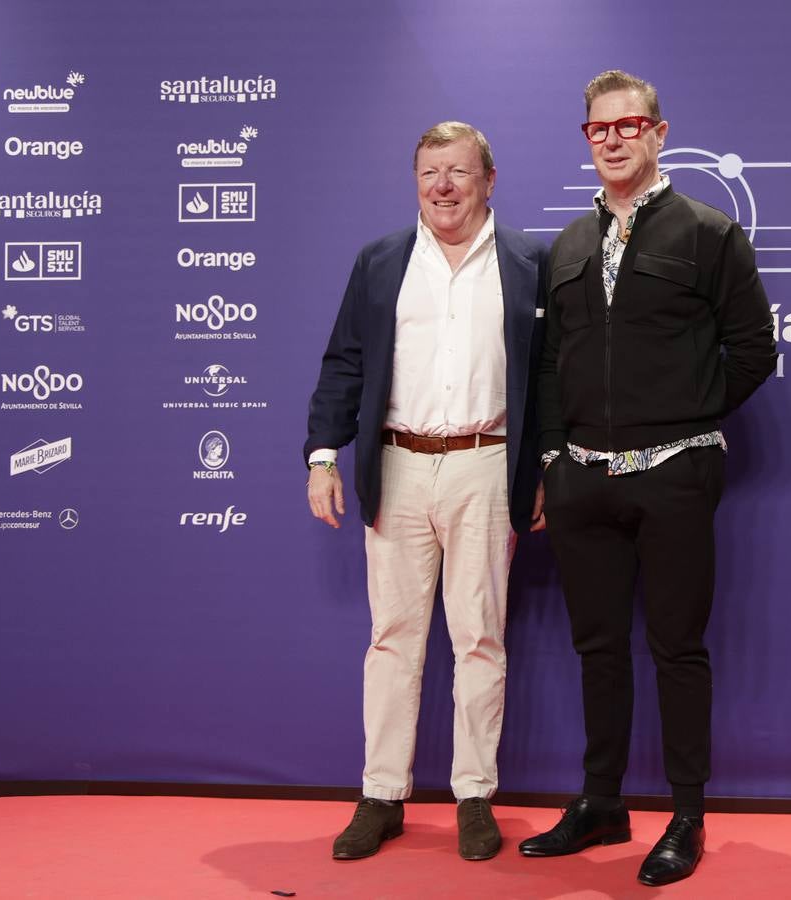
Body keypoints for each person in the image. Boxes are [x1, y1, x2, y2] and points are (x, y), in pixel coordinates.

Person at [520, 71, 776, 886]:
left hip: (674, 475)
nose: (613, 140)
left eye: (629, 125)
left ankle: (687, 814)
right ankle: (600, 803)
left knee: (676, 648)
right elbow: (551, 365)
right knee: (596, 648)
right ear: (587, 140)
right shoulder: (563, 245)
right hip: (581, 483)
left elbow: (753, 352)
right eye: (598, 129)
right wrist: (555, 458)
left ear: (659, 132)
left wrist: (686, 418)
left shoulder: (709, 233)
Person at [304, 121, 548, 863]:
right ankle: (381, 795)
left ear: (489, 179)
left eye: (459, 172)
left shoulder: (531, 262)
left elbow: (554, 376)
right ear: (416, 180)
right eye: (430, 171)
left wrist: (543, 469)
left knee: (479, 636)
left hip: (488, 461)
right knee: (392, 639)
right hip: (398, 463)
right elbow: (344, 361)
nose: (443, 186)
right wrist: (322, 454)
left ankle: (475, 795)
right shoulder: (380, 261)